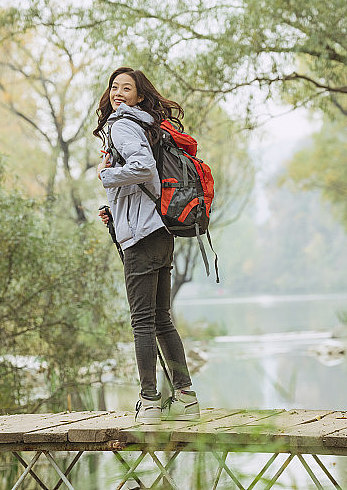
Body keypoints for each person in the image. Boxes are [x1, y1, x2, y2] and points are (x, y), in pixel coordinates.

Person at [93, 67, 200, 424]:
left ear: (139, 96)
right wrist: (115, 210)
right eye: (114, 86)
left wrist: (106, 176)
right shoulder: (146, 125)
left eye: (127, 88)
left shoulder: (122, 125)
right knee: (161, 320)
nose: (118, 92)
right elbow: (145, 182)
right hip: (161, 232)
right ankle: (186, 399)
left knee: (142, 322)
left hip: (141, 237)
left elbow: (143, 169)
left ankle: (149, 402)